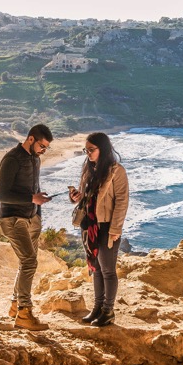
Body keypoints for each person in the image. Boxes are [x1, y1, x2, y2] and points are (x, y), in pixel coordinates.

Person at [0, 124, 54, 331]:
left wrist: (38, 206)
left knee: (26, 263)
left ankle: (15, 305)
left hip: (32, 219)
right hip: (13, 219)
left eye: (46, 148)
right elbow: (1, 195)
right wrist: (32, 198)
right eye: (42, 146)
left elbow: (33, 188)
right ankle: (24, 313)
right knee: (29, 262)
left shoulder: (35, 159)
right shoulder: (12, 159)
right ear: (31, 139)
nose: (43, 151)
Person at [69, 132, 129, 327]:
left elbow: (122, 201)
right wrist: (76, 197)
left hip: (106, 226)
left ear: (103, 148)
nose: (88, 153)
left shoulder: (116, 170)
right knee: (96, 270)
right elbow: (87, 197)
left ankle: (108, 311)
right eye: (86, 150)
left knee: (108, 270)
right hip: (90, 226)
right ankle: (97, 308)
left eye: (91, 150)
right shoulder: (89, 169)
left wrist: (115, 229)